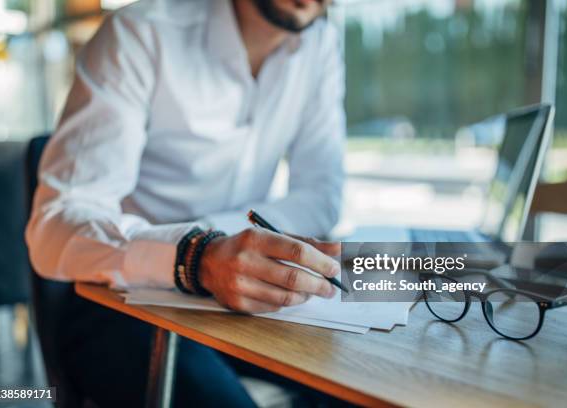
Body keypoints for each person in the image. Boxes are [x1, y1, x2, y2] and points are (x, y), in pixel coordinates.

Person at [26, 0, 345, 405]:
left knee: (370, 387)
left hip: (248, 299)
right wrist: (200, 253)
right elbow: (56, 224)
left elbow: (322, 195)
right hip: (122, 304)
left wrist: (228, 246)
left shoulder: (322, 46)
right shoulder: (139, 33)